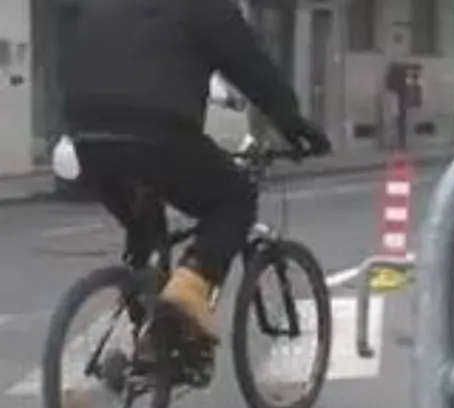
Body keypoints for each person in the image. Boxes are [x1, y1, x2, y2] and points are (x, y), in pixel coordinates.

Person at [54, 0, 330, 347]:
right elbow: (251, 67)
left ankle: (149, 328)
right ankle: (190, 286)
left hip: (88, 136)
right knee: (235, 198)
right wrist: (293, 125)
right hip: (156, 132)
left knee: (145, 233)